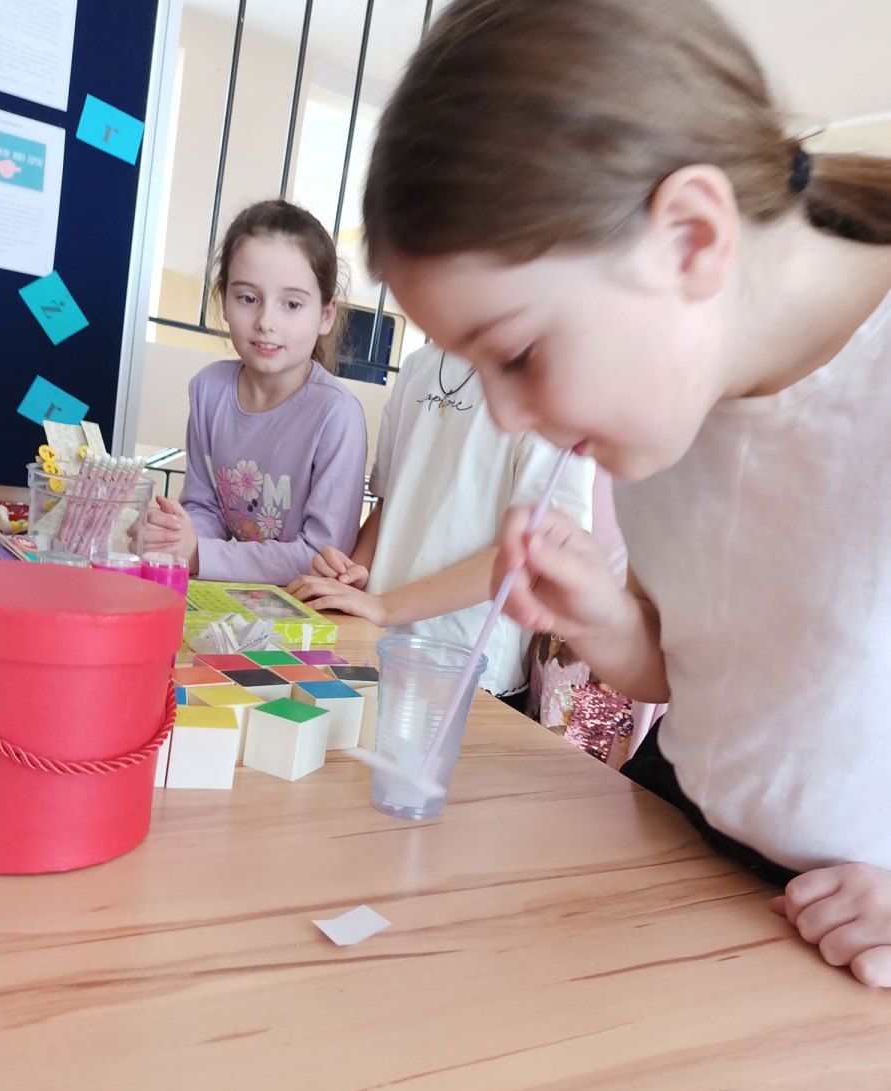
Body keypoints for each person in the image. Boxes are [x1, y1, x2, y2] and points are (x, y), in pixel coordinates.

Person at [360, 0, 891, 986]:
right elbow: (695, 674)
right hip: (689, 848)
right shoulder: (675, 411)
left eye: (517, 353)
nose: (504, 417)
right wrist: (605, 620)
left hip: (848, 953)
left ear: (689, 238)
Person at [288, 340, 594, 704]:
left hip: (468, 670)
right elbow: (389, 503)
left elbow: (536, 552)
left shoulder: (557, 384)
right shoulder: (419, 364)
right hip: (376, 646)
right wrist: (355, 573)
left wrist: (385, 607)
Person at [144, 200, 367, 583]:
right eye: (248, 298)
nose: (266, 321)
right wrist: (178, 535)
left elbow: (324, 556)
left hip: (303, 605)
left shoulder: (336, 414)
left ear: (326, 315)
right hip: (229, 594)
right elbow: (204, 508)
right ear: (224, 301)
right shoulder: (208, 390)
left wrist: (201, 553)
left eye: (292, 304)